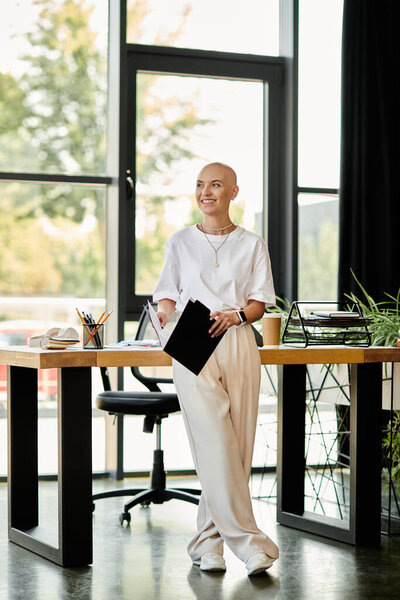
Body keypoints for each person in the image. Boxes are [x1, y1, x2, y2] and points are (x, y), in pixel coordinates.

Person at [153, 162, 279, 576]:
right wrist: (167, 319)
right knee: (214, 442)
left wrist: (239, 315)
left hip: (239, 339)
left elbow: (260, 303)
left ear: (233, 192)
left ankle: (208, 546)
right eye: (201, 185)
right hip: (191, 339)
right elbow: (166, 296)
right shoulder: (179, 242)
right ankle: (250, 544)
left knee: (236, 446)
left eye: (216, 185)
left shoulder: (252, 243)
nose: (206, 192)